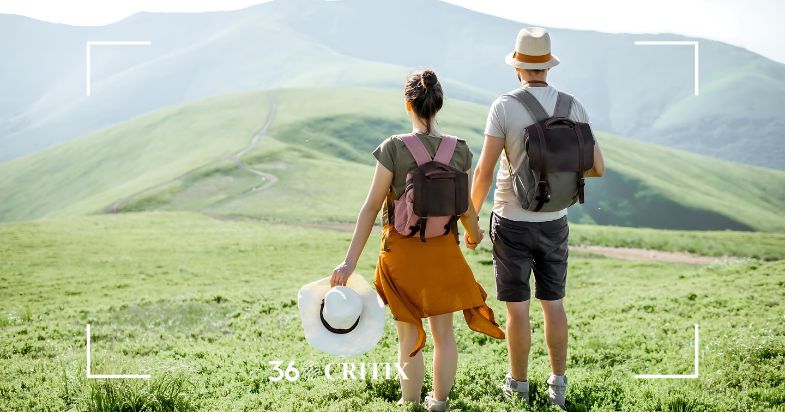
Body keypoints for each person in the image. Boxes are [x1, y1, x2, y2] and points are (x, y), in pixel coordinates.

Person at [331, 69, 505, 412]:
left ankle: (408, 402)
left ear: (407, 103)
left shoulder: (394, 148)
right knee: (445, 335)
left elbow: (370, 209)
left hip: (402, 255)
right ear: (439, 105)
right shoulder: (459, 150)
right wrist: (473, 236)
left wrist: (349, 263)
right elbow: (466, 209)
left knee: (409, 336)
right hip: (444, 253)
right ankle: (438, 403)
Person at [468, 27, 605, 409]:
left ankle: (518, 387)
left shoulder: (504, 106)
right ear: (547, 66)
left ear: (517, 67)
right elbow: (596, 167)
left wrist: (472, 221)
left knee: (518, 309)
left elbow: (484, 171)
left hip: (511, 220)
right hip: (555, 221)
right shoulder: (572, 106)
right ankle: (558, 385)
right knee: (554, 304)